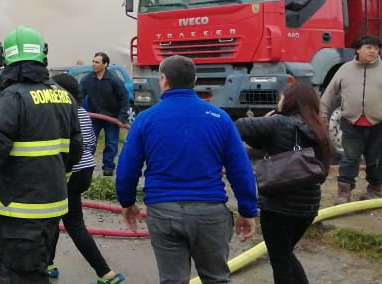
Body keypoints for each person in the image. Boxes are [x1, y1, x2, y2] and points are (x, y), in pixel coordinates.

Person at [115, 55, 257, 284]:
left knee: (173, 280)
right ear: (195, 80)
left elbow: (127, 168)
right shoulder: (219, 118)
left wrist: (127, 202)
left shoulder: (146, 119)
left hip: (163, 211)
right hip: (210, 213)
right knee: (216, 278)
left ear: (163, 80)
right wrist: (248, 210)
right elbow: (240, 169)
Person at [0, 26, 82, 284]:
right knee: (37, 269)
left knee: (19, 275)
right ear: (43, 55)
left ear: (7, 60)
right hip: (52, 205)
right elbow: (75, 148)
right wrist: (59, 178)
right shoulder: (64, 96)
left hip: (22, 208)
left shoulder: (13, 98)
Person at [236, 83, 332, 284]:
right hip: (308, 207)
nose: (279, 100)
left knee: (280, 260)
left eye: (281, 96)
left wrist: (264, 120)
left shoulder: (278, 123)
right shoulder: (318, 128)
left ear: (290, 101)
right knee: (285, 255)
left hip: (278, 207)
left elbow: (238, 127)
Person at [47, 73, 125, 284]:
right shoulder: (81, 111)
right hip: (85, 170)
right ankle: (48, 263)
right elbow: (90, 142)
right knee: (53, 218)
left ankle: (106, 273)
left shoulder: (61, 111)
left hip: (69, 173)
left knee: (73, 223)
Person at [319, 34, 382, 204]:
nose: (373, 51)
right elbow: (330, 93)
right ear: (358, 49)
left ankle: (375, 190)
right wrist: (323, 114)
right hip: (351, 124)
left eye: (376, 48)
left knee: (376, 160)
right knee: (350, 158)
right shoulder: (345, 69)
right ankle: (344, 192)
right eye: (369, 47)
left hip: (378, 125)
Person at [79, 51, 129, 176]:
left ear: (105, 64)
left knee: (111, 143)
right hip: (95, 116)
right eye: (93, 61)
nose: (94, 64)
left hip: (112, 117)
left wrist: (122, 117)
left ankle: (108, 167)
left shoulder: (114, 80)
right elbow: (79, 97)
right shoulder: (87, 80)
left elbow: (124, 98)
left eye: (97, 62)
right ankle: (87, 165)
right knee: (90, 141)